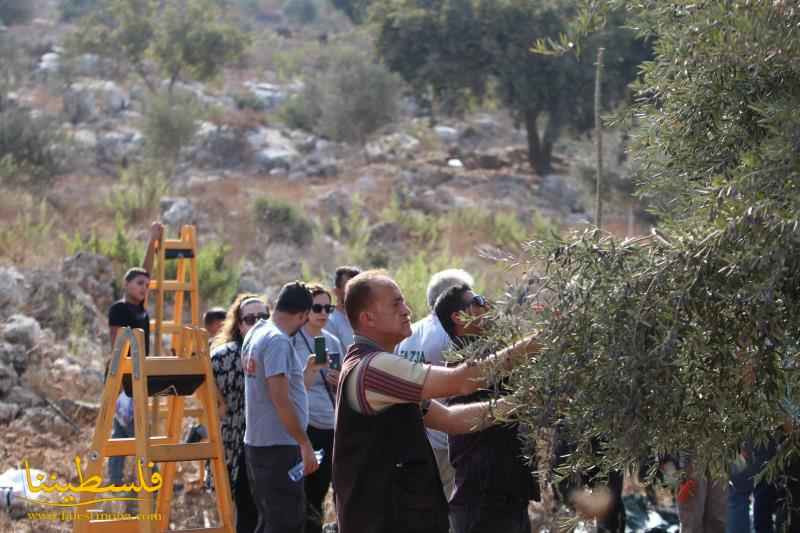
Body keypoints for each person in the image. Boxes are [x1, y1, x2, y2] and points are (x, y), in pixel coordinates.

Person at [332, 270, 540, 533]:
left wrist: (523, 400)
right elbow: (463, 380)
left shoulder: (377, 368)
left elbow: (453, 420)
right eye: (395, 303)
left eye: (404, 301)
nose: (406, 310)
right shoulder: (373, 368)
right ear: (367, 317)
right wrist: (534, 344)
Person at [434, 284, 539, 533]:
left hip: (505, 492)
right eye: (478, 301)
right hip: (485, 498)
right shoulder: (467, 362)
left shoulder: (488, 352)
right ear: (459, 317)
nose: (487, 305)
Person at [242, 281, 325, 533]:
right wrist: (304, 442)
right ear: (302, 315)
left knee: (270, 521)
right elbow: (280, 399)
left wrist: (305, 373)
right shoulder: (278, 341)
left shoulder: (257, 332)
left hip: (259, 445)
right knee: (286, 523)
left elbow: (273, 388)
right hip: (278, 448)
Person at [396, 268, 474, 501]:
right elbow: (463, 383)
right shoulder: (448, 337)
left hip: (417, 432)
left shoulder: (411, 332)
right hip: (444, 438)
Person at [107, 221, 162, 486]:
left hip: (138, 375)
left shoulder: (141, 308)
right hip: (124, 376)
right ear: (126, 284)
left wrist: (152, 242)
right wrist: (123, 384)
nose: (144, 287)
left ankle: (115, 479)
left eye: (146, 285)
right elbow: (118, 347)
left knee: (122, 430)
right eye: (139, 283)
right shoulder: (120, 309)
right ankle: (151, 478)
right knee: (137, 429)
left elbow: (146, 270)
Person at [209, 294, 268, 533]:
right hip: (235, 440)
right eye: (250, 318)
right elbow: (213, 402)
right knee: (242, 509)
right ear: (239, 323)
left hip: (268, 439)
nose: (257, 323)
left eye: (264, 317)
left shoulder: (278, 348)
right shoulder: (223, 356)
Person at [292, 284, 343, 533]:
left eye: (328, 307)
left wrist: (339, 380)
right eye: (317, 307)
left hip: (331, 422)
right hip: (306, 424)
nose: (323, 313)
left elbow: (343, 381)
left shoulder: (332, 341)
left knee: (324, 492)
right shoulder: (293, 339)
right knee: (306, 493)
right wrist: (311, 370)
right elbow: (293, 388)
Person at [326, 266, 361, 351]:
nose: (354, 293)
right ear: (336, 291)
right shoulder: (329, 321)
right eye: (349, 288)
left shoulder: (367, 319)